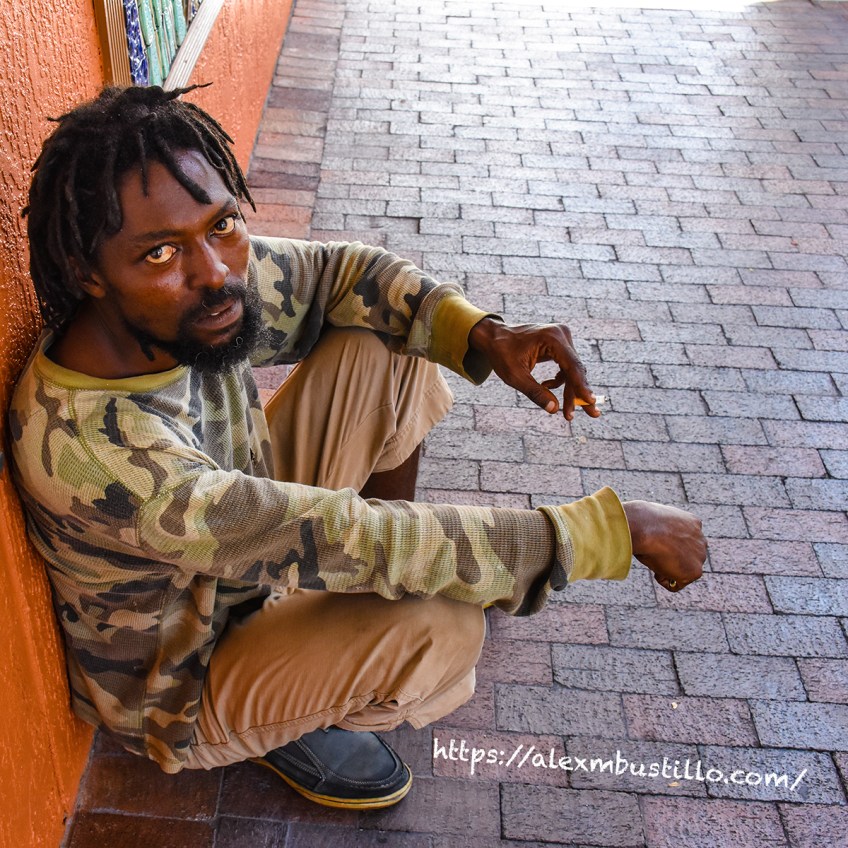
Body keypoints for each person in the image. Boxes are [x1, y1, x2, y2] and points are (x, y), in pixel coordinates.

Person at [10, 85, 705, 810]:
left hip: (247, 553)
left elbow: (342, 277)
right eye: (158, 253)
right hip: (185, 680)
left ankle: (346, 616)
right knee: (438, 621)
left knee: (390, 339)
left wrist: (484, 334)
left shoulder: (184, 295)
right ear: (88, 272)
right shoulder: (99, 453)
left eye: (221, 226)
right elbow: (344, 536)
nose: (214, 273)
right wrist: (601, 534)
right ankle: (292, 715)